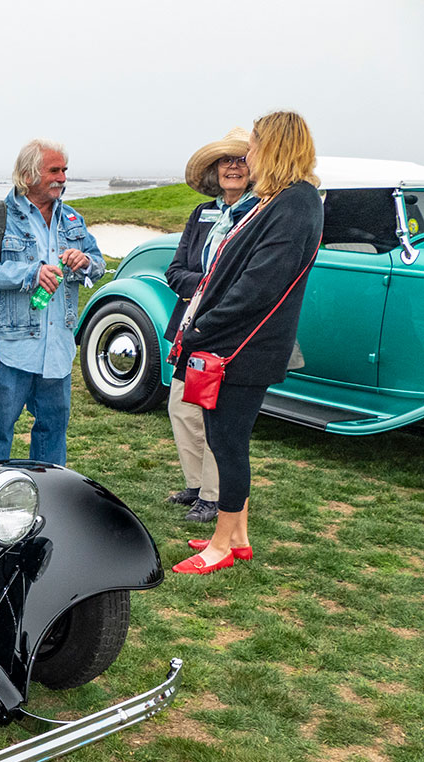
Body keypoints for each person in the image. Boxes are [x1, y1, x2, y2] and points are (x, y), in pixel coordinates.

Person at [170, 111, 323, 574]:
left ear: (273, 147)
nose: (248, 154)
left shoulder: (294, 203)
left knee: (228, 443)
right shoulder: (284, 200)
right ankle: (237, 534)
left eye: (254, 145)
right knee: (225, 439)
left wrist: (200, 330)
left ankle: (220, 545)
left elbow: (258, 286)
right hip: (236, 343)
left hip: (242, 348)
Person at [0, 139, 104, 465]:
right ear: (28, 175)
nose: (62, 178)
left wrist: (85, 262)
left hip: (58, 347)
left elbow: (97, 264)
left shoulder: (72, 220)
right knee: (0, 429)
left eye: (64, 170)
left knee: (54, 429)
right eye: (54, 170)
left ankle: (49, 493)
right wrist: (29, 274)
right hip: (12, 347)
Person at [164, 127, 260, 524]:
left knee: (214, 412)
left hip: (227, 330)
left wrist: (211, 291)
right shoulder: (202, 214)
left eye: (241, 160)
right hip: (191, 325)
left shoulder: (259, 214)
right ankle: (195, 485)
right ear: (215, 169)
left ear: (253, 168)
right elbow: (175, 270)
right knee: (181, 407)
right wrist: (205, 286)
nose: (233, 167)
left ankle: (213, 495)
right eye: (226, 160)